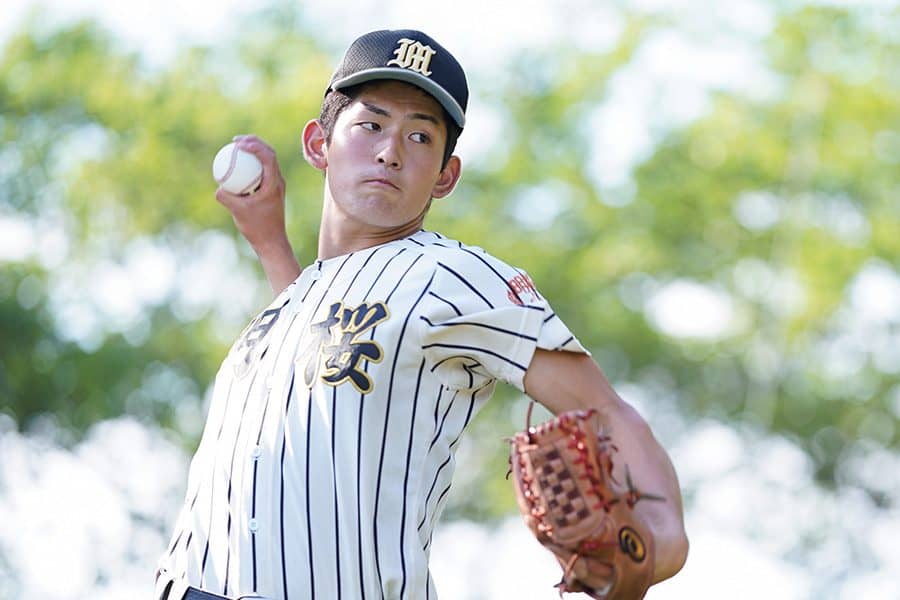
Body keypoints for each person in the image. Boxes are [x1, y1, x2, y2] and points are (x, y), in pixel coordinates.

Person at [156, 29, 688, 600]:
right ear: (318, 144)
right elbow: (314, 365)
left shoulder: (452, 276)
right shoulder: (294, 301)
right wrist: (269, 243)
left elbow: (605, 409)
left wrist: (663, 539)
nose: (390, 151)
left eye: (419, 136)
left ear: (445, 176)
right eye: (370, 125)